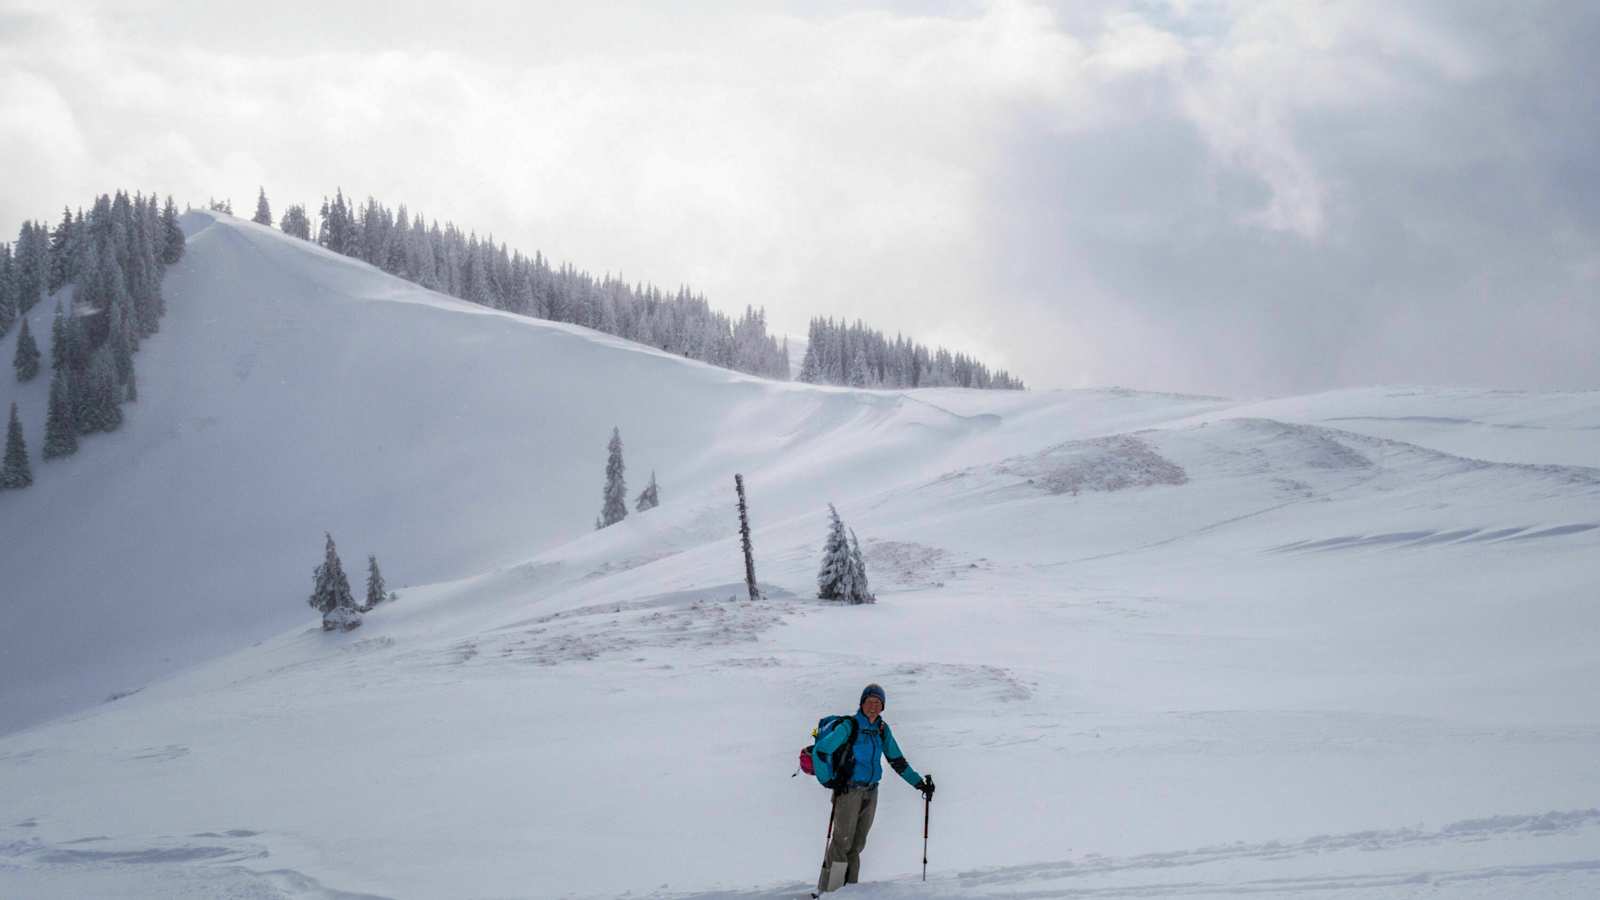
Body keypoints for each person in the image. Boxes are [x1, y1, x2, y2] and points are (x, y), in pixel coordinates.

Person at [813, 683, 934, 894]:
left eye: (878, 702)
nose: (873, 706)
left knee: (857, 844)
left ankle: (849, 893)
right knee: (842, 844)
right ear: (862, 703)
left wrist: (918, 783)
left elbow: (896, 760)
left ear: (883, 706)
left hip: (871, 791)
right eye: (870, 701)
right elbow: (822, 751)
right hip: (849, 791)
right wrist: (829, 780)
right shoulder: (849, 726)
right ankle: (830, 892)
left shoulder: (881, 729)